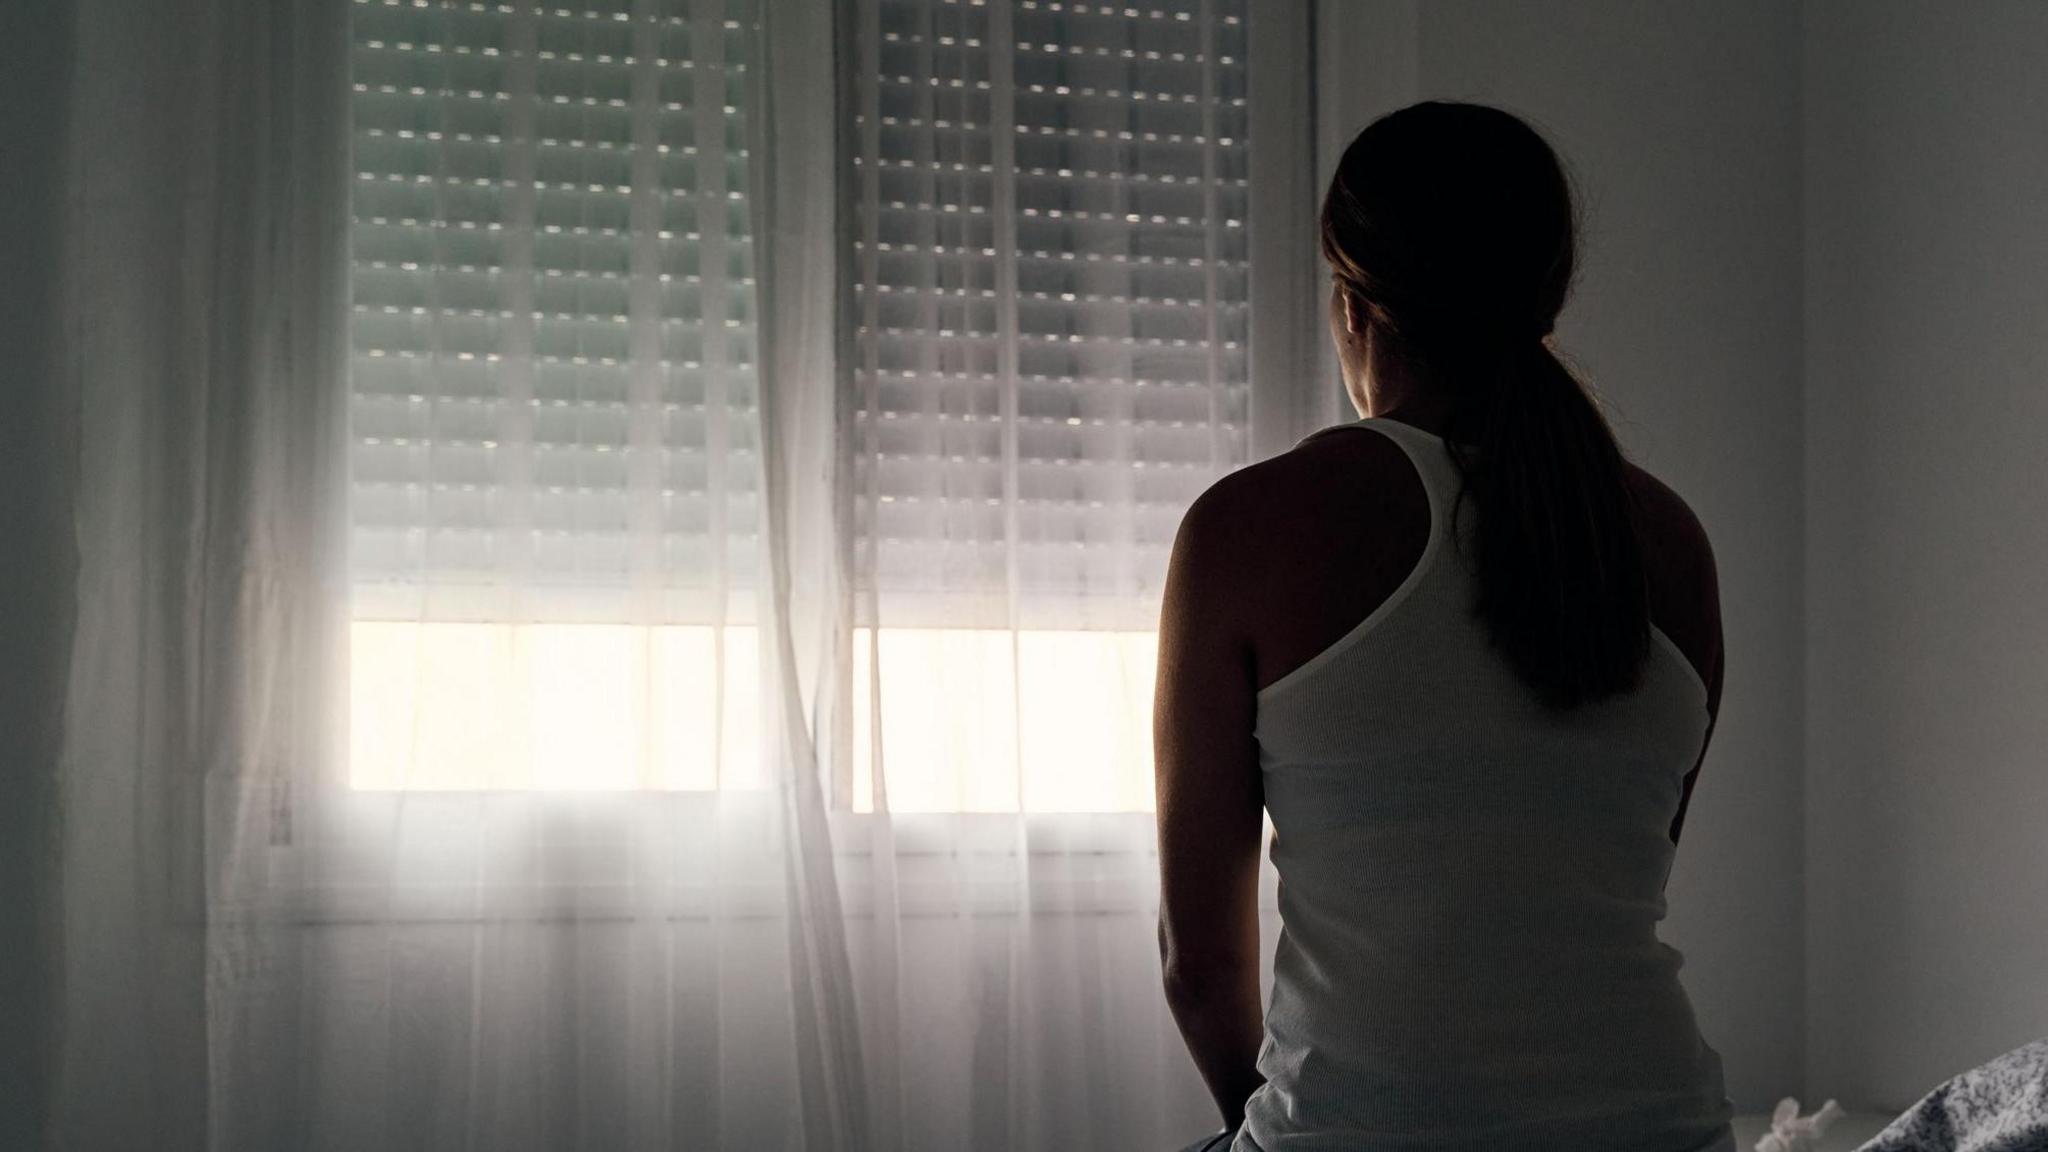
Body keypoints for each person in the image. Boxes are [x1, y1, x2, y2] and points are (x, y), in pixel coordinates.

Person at [1154, 100, 1737, 1152]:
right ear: (1548, 294)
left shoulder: (1245, 531)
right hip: (1662, 1127)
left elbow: (1198, 971)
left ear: (1350, 303)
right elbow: (1592, 889)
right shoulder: (1669, 543)